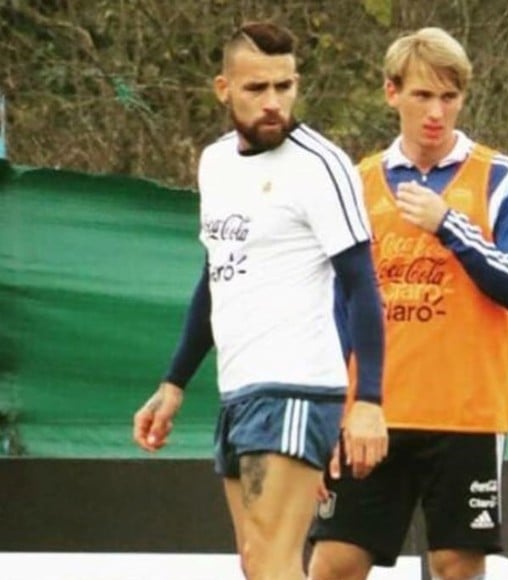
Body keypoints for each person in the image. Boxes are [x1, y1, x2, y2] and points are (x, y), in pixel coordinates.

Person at [131, 21, 388, 580]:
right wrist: (174, 383)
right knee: (258, 565)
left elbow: (361, 283)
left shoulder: (321, 165)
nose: (274, 103)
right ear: (224, 88)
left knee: (272, 565)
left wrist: (368, 398)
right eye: (257, 89)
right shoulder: (216, 163)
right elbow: (216, 275)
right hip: (238, 391)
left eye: (285, 86)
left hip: (298, 390)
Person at [307, 27, 508, 580]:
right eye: (422, 95)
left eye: (449, 96)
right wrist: (328, 414)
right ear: (392, 93)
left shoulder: (500, 177)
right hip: (371, 412)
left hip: (466, 413)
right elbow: (332, 305)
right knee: (334, 562)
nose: (436, 112)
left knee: (456, 566)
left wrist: (449, 226)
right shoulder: (358, 181)